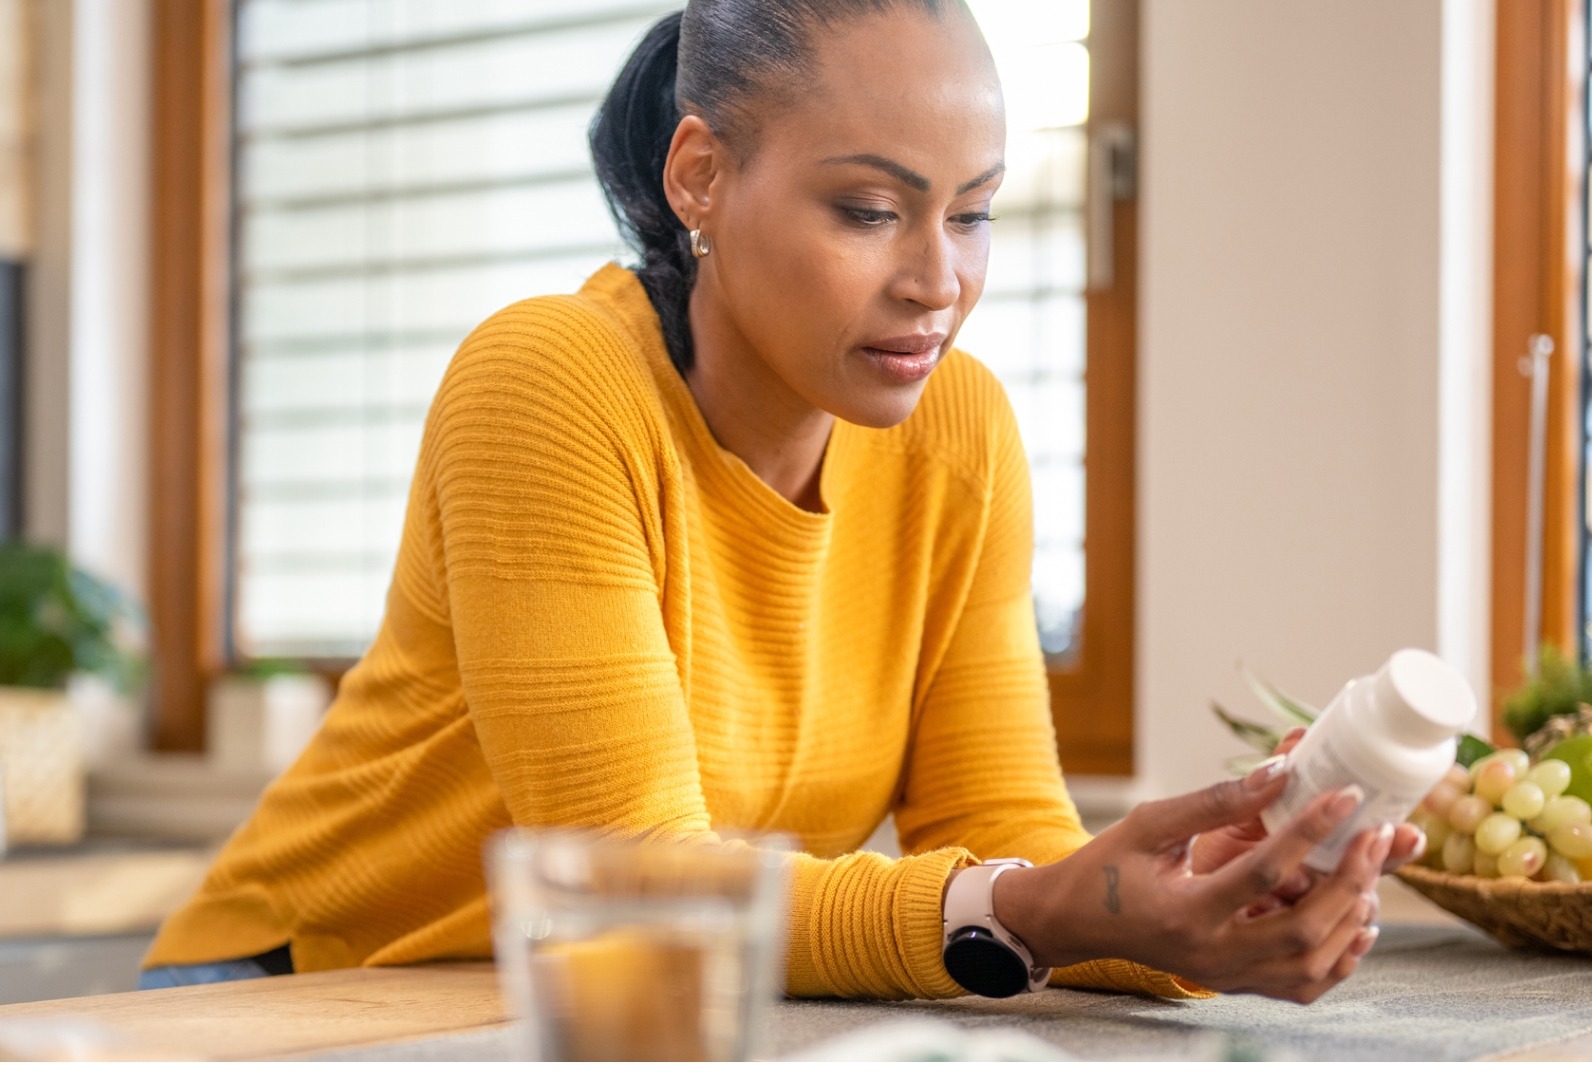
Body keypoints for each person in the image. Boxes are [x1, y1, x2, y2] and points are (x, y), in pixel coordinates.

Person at [142, 0, 1421, 1002]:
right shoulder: (552, 383)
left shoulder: (957, 434)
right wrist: (1035, 910)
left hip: (595, 1021)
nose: (939, 281)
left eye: (970, 216)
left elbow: (999, 834)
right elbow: (641, 887)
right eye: (869, 210)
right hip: (299, 998)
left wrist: (1192, 913)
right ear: (699, 174)